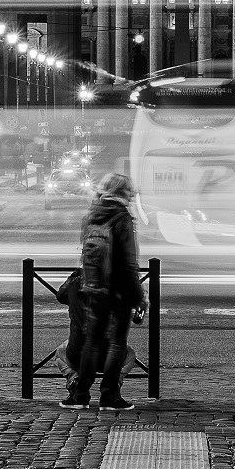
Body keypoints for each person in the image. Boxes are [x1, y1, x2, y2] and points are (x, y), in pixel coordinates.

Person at [61, 172, 147, 411]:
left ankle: (80, 395)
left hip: (94, 288)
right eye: (129, 191)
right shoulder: (122, 219)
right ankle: (109, 395)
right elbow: (129, 263)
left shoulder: (92, 216)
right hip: (119, 290)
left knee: (92, 342)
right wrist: (139, 296)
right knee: (117, 343)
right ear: (122, 193)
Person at [54, 268, 135, 398]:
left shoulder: (74, 284)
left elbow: (60, 296)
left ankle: (74, 381)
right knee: (130, 354)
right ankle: (114, 385)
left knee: (60, 352)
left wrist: (74, 276)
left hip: (78, 356)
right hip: (109, 358)